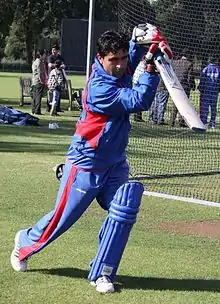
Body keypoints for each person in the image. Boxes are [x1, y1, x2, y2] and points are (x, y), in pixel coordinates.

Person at [10, 25, 171, 293]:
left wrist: (148, 44)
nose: (120, 65)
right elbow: (140, 100)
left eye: (122, 58)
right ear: (101, 58)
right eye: (114, 60)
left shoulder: (119, 67)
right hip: (86, 163)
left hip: (115, 163)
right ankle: (25, 242)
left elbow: (133, 56)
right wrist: (151, 70)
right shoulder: (99, 88)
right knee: (63, 219)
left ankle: (103, 272)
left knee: (123, 210)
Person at [170, 49, 196, 127]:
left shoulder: (175, 63)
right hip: (185, 87)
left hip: (176, 86)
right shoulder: (189, 64)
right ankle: (181, 121)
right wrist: (192, 86)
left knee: (175, 104)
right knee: (184, 105)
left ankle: (172, 121)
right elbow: (189, 77)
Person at [198, 56, 220, 129]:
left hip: (206, 92)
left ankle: (203, 122)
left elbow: (202, 80)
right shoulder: (218, 70)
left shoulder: (205, 69)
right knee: (213, 108)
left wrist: (200, 88)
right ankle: (212, 123)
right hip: (214, 92)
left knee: (205, 107)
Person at [46, 44, 66, 112]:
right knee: (50, 93)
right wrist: (57, 66)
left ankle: (57, 108)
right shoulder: (50, 57)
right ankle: (49, 107)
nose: (53, 51)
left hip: (59, 76)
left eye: (55, 50)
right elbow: (49, 65)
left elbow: (64, 65)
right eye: (52, 50)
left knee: (58, 92)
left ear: (58, 51)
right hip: (52, 77)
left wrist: (57, 66)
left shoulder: (61, 57)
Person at [31, 49, 46, 115]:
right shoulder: (39, 62)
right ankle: (37, 111)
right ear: (41, 55)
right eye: (44, 54)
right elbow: (40, 73)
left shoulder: (35, 62)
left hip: (34, 81)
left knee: (34, 96)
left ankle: (33, 109)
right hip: (38, 81)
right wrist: (42, 81)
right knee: (38, 97)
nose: (45, 56)